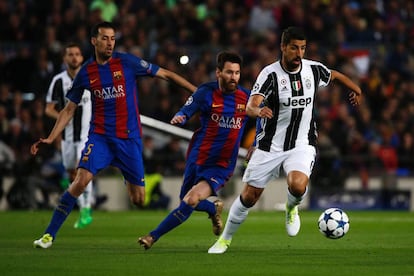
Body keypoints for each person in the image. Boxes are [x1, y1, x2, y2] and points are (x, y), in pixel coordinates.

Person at [31, 21, 196, 249]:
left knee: (138, 200)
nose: (110, 43)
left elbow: (165, 74)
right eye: (105, 38)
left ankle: (128, 173)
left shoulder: (127, 62)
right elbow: (69, 109)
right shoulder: (86, 73)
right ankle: (48, 235)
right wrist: (50, 137)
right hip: (100, 138)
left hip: (129, 141)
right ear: (94, 41)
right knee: (79, 182)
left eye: (112, 38)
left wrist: (197, 92)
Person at [208, 26, 362, 254]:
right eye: (294, 48)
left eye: (303, 48)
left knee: (298, 185)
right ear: (283, 47)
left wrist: (356, 89)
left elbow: (335, 75)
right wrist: (257, 111)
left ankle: (291, 208)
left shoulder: (313, 70)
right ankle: (225, 239)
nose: (299, 53)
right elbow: (251, 104)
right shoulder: (269, 75)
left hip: (302, 143)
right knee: (249, 197)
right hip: (270, 145)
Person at [138, 51, 250, 250]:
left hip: (221, 164)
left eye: (237, 73)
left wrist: (257, 143)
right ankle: (212, 208)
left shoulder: (246, 98)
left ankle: (152, 237)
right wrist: (181, 116)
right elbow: (187, 109)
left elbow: (263, 121)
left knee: (190, 199)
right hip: (198, 156)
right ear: (218, 73)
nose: (233, 77)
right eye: (229, 72)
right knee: (186, 201)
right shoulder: (205, 92)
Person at [44, 42, 94, 228]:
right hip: (67, 138)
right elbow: (48, 109)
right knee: (71, 174)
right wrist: (63, 119)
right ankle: (82, 207)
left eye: (77, 54)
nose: (74, 57)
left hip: (86, 136)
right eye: (70, 54)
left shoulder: (90, 78)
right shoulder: (59, 81)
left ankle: (86, 210)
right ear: (65, 58)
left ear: (81, 58)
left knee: (83, 172)